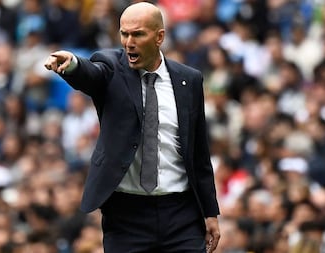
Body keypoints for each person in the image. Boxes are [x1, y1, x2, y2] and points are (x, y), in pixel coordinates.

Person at [44, 2, 220, 252]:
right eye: (124, 33)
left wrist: (210, 212)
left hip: (182, 213)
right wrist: (72, 64)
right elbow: (91, 75)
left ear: (159, 37)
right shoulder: (111, 67)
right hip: (126, 216)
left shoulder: (188, 80)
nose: (128, 42)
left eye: (138, 34)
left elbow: (199, 153)